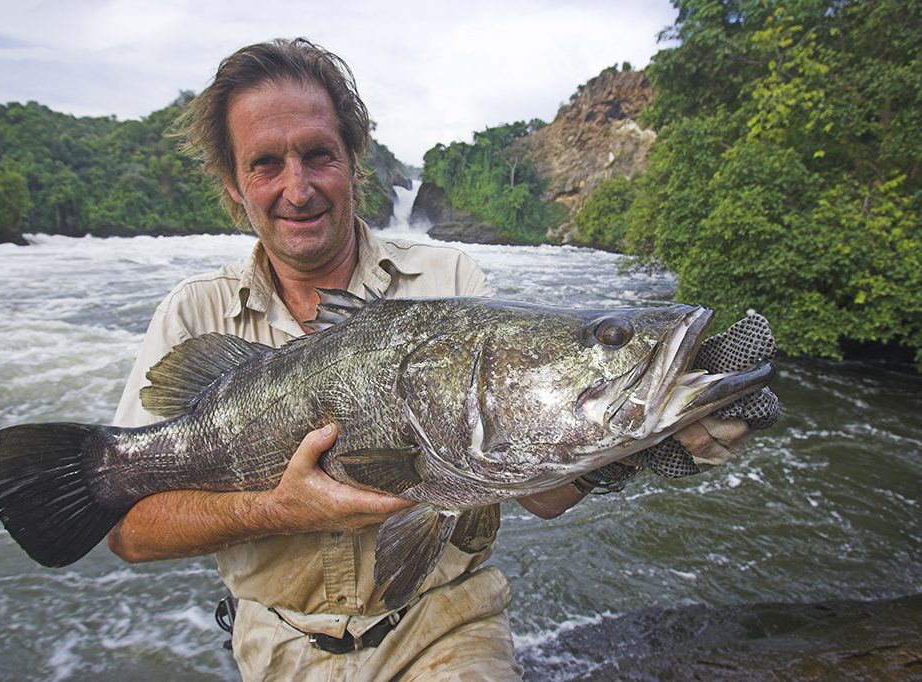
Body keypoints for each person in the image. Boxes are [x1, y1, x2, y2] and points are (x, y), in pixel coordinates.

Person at [108, 38, 754, 680]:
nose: (297, 188)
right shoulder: (192, 315)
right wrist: (276, 509)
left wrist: (631, 443)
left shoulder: (451, 281)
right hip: (278, 647)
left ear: (353, 160)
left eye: (317, 155)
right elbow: (128, 533)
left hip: (446, 627)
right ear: (233, 186)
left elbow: (541, 492)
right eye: (265, 165)